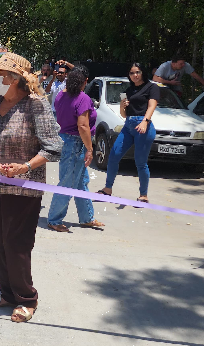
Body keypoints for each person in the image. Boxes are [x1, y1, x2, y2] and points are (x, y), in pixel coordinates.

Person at [0, 52, 62, 322]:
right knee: (1, 241)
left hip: (24, 187)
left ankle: (26, 299)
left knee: (17, 244)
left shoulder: (35, 105)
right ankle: (8, 293)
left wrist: (25, 167)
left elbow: (53, 148)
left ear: (14, 79)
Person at [47, 66, 105, 232]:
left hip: (65, 139)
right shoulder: (83, 98)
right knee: (67, 183)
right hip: (75, 143)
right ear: (85, 81)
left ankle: (87, 217)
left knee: (80, 182)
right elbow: (83, 126)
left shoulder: (60, 96)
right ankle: (54, 219)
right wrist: (89, 148)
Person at [99, 62, 159, 203]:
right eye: (132, 73)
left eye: (137, 72)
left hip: (143, 127)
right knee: (113, 155)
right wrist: (122, 106)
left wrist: (145, 121)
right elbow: (124, 115)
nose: (135, 75)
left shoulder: (152, 87)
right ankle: (107, 189)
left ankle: (143, 195)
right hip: (128, 125)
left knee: (140, 162)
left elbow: (152, 106)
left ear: (142, 72)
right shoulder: (128, 90)